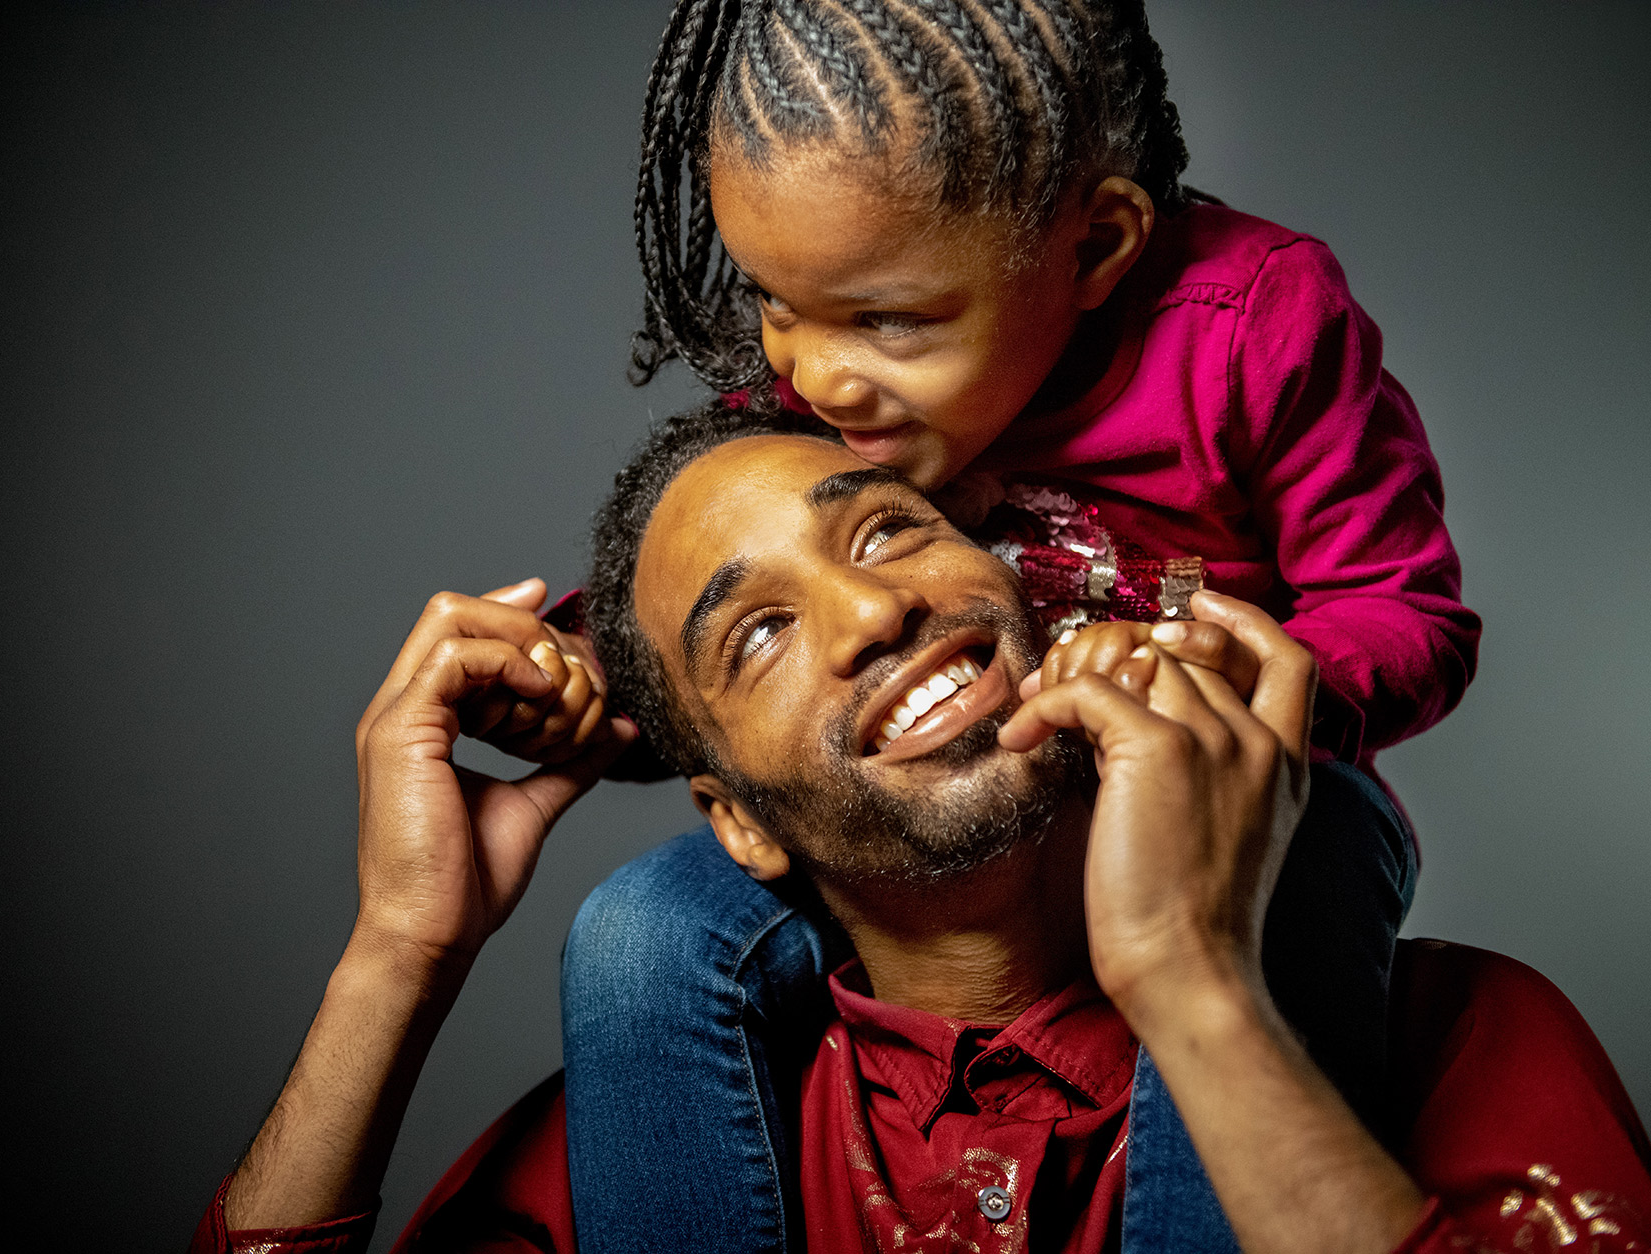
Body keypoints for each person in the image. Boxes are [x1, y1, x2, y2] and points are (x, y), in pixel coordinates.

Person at [189, 415, 1648, 1254]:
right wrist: (399, 949)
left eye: (885, 530)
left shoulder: (1463, 1041)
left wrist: (1193, 983)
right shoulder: (645, 1139)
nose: (874, 609)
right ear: (736, 823)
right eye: (755, 633)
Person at [567, 3, 1481, 1248]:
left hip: (1243, 797)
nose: (815, 380)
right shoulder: (825, 377)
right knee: (639, 932)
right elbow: (731, 614)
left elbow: (1409, 607)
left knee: (1295, 901)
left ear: (1095, 244)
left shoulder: (1251, 328)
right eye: (777, 302)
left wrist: (1246, 683)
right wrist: (577, 677)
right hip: (950, 838)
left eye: (888, 320)